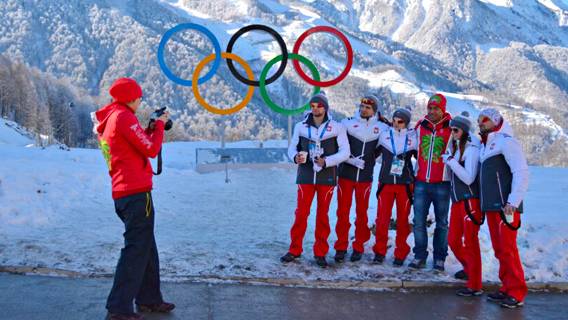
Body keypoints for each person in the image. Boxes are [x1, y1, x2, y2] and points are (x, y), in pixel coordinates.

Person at [95, 78, 174, 320]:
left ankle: (149, 299)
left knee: (146, 247)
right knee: (136, 250)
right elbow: (150, 149)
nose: (140, 101)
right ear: (130, 97)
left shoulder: (111, 118)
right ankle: (118, 307)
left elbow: (136, 145)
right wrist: (159, 126)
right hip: (136, 193)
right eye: (139, 97)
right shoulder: (123, 117)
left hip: (124, 192)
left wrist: (149, 128)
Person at [281, 92, 350, 268]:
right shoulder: (301, 126)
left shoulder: (336, 127)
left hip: (326, 176)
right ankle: (294, 250)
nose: (315, 109)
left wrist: (327, 161)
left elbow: (345, 152)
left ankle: (320, 252)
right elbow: (291, 148)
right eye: (312, 106)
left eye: (319, 106)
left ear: (325, 107)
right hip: (305, 176)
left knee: (322, 216)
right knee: (301, 214)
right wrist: (295, 157)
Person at [478, 108, 529, 309]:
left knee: (508, 249)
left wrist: (513, 202)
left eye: (485, 119)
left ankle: (517, 291)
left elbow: (521, 172)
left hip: (506, 207)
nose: (480, 122)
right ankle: (507, 287)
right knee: (500, 250)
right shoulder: (486, 145)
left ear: (496, 121)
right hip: (491, 207)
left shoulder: (507, 142)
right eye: (479, 120)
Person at [334, 95, 389, 263]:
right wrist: (350, 158)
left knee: (362, 214)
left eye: (368, 108)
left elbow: (383, 147)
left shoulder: (382, 127)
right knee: (342, 213)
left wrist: (372, 159)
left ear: (374, 110)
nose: (364, 109)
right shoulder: (347, 123)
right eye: (362, 106)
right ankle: (341, 247)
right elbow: (338, 145)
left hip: (365, 177)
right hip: (345, 175)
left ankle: (358, 246)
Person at [442, 112, 483, 297]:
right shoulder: (458, 147)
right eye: (451, 129)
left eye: (456, 129)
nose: (452, 132)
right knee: (453, 240)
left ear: (464, 130)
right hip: (458, 200)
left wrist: (451, 162)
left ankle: (474, 284)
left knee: (471, 242)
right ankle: (469, 269)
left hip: (470, 200)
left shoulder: (472, 149)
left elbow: (469, 177)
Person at [409, 93, 453, 271]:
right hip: (421, 182)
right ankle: (420, 255)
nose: (432, 111)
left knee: (442, 222)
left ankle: (439, 258)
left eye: (436, 108)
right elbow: (409, 143)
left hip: (442, 182)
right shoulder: (420, 126)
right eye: (430, 108)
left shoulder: (451, 127)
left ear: (443, 109)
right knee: (418, 221)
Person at [373, 108, 417, 266]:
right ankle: (379, 251)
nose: (396, 124)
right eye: (394, 120)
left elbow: (423, 160)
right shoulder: (384, 135)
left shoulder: (413, 138)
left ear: (406, 123)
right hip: (385, 183)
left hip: (404, 185)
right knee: (382, 219)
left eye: (400, 121)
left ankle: (401, 252)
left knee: (403, 221)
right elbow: (372, 153)